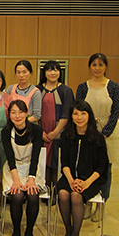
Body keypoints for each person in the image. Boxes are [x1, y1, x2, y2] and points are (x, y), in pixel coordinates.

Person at [57, 100, 109, 236]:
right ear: (71, 116)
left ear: (89, 115)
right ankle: (68, 229)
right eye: (75, 113)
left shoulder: (97, 138)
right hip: (70, 176)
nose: (79, 117)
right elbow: (64, 162)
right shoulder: (67, 135)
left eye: (83, 113)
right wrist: (72, 180)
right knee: (64, 194)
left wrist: (86, 182)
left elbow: (102, 167)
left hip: (91, 179)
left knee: (76, 196)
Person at [76, 53, 119, 220]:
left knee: (105, 169)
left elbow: (115, 112)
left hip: (108, 133)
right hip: (87, 130)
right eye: (94, 64)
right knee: (87, 166)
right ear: (90, 67)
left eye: (100, 65)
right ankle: (88, 201)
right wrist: (89, 131)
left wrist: (104, 133)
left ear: (106, 67)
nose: (97, 68)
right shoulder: (83, 87)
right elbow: (79, 109)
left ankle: (102, 203)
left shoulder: (113, 87)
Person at [2, 100, 43, 236]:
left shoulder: (37, 130)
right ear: (9, 115)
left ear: (27, 113)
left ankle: (29, 232)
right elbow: (10, 158)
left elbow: (36, 156)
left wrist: (31, 178)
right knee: (17, 194)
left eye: (20, 112)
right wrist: (16, 180)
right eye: (13, 112)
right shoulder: (6, 132)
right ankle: (17, 231)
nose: (17, 116)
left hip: (32, 168)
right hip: (13, 169)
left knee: (33, 195)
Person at [36, 61, 74, 189]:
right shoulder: (38, 90)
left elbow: (66, 114)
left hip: (59, 133)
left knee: (56, 163)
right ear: (44, 73)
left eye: (56, 70)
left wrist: (55, 132)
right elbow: (34, 113)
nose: (53, 73)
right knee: (41, 162)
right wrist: (41, 132)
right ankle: (42, 189)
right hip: (41, 132)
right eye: (49, 70)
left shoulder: (66, 90)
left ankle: (55, 192)